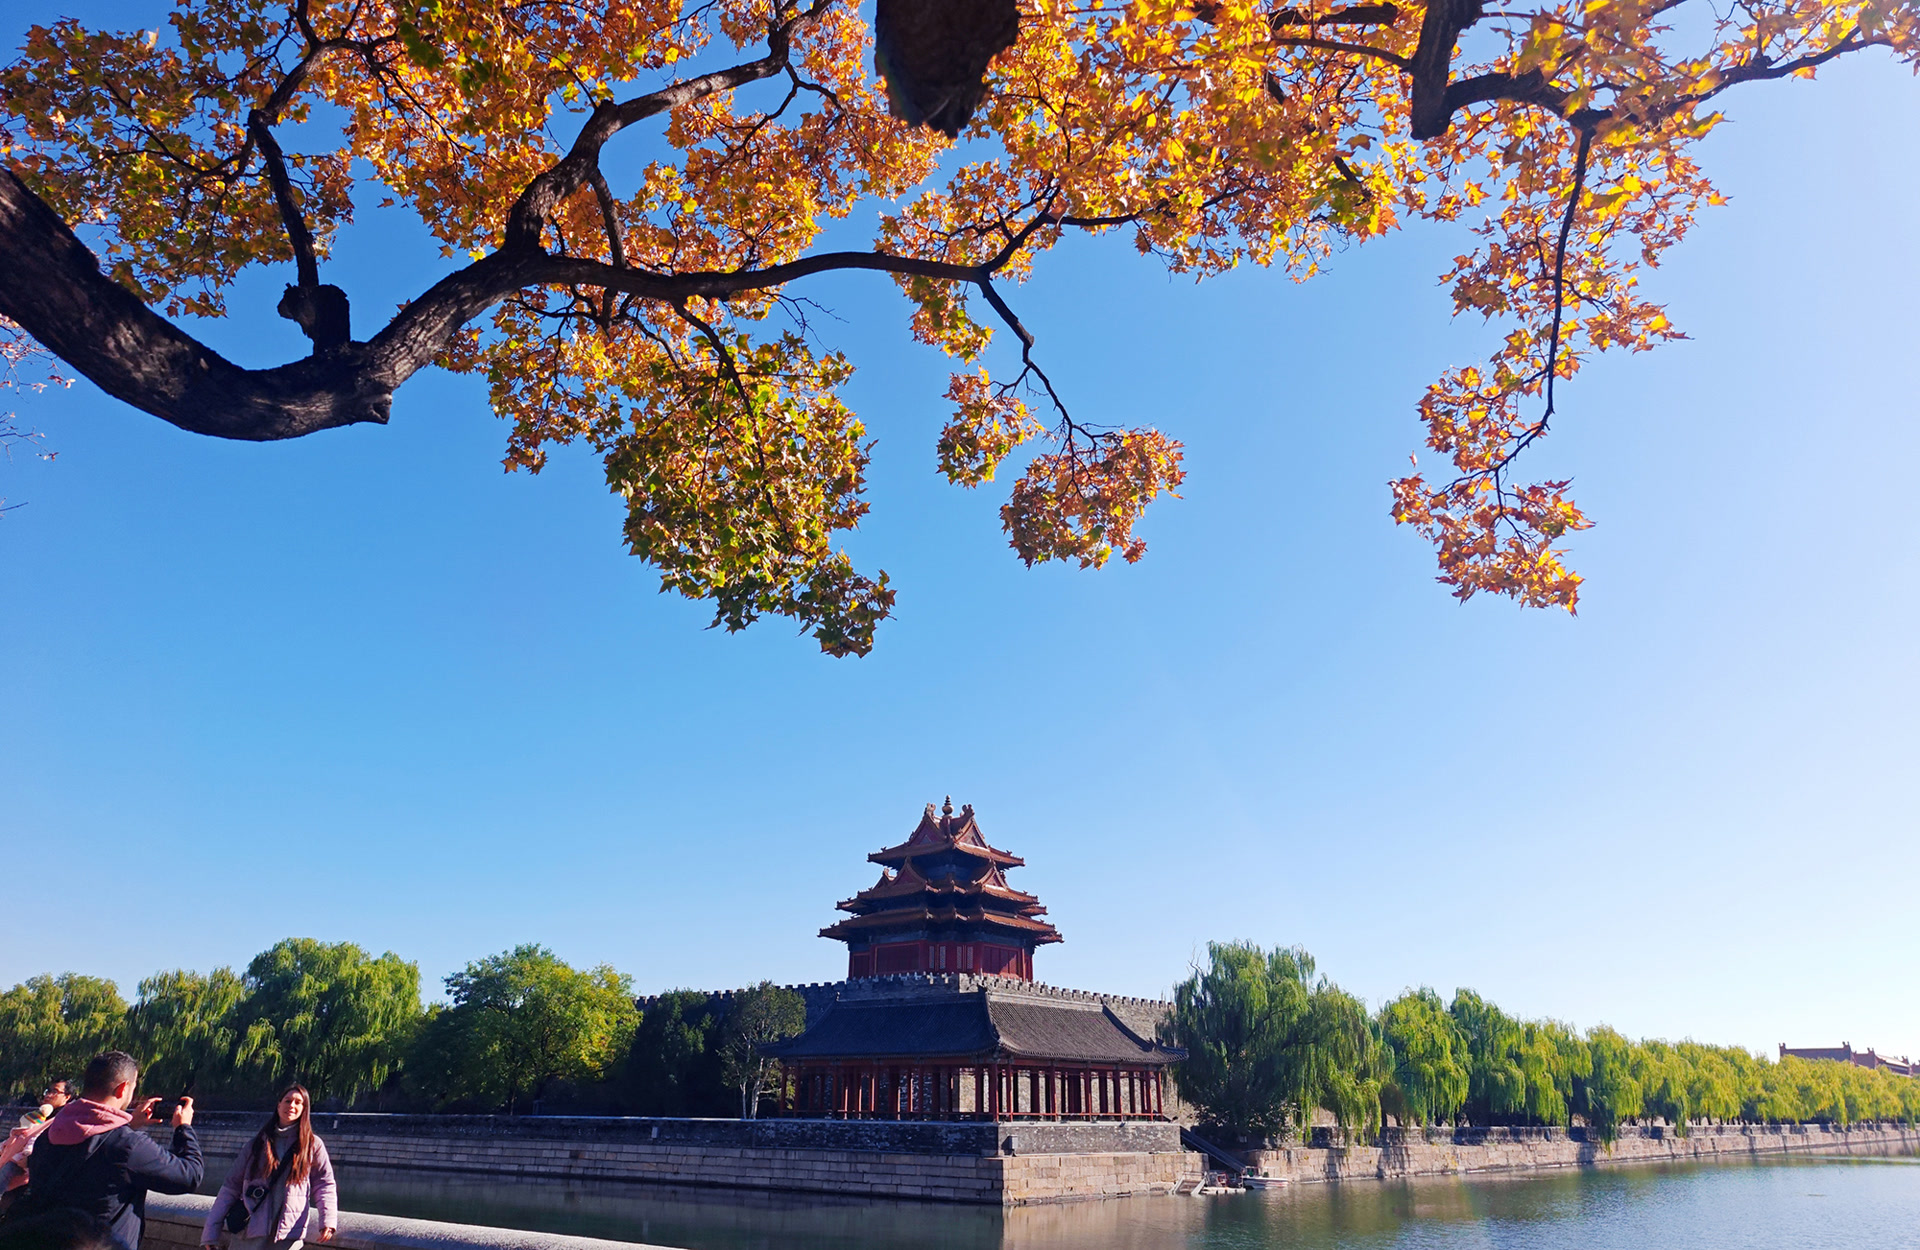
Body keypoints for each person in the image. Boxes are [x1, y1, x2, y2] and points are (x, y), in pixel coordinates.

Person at [8, 1051, 201, 1250]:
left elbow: (90, 1139)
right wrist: (183, 1127)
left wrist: (129, 1124)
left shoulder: (48, 1134)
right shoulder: (129, 1145)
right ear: (123, 1088)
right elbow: (190, 1175)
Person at [201, 1086, 336, 1250]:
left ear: (304, 1109)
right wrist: (210, 1232)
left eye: (298, 1102)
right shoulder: (256, 1145)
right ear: (278, 1105)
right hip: (250, 1232)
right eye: (287, 1101)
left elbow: (324, 1185)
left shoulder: (312, 1146)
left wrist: (328, 1220)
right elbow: (231, 1187)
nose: (292, 1106)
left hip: (287, 1236)